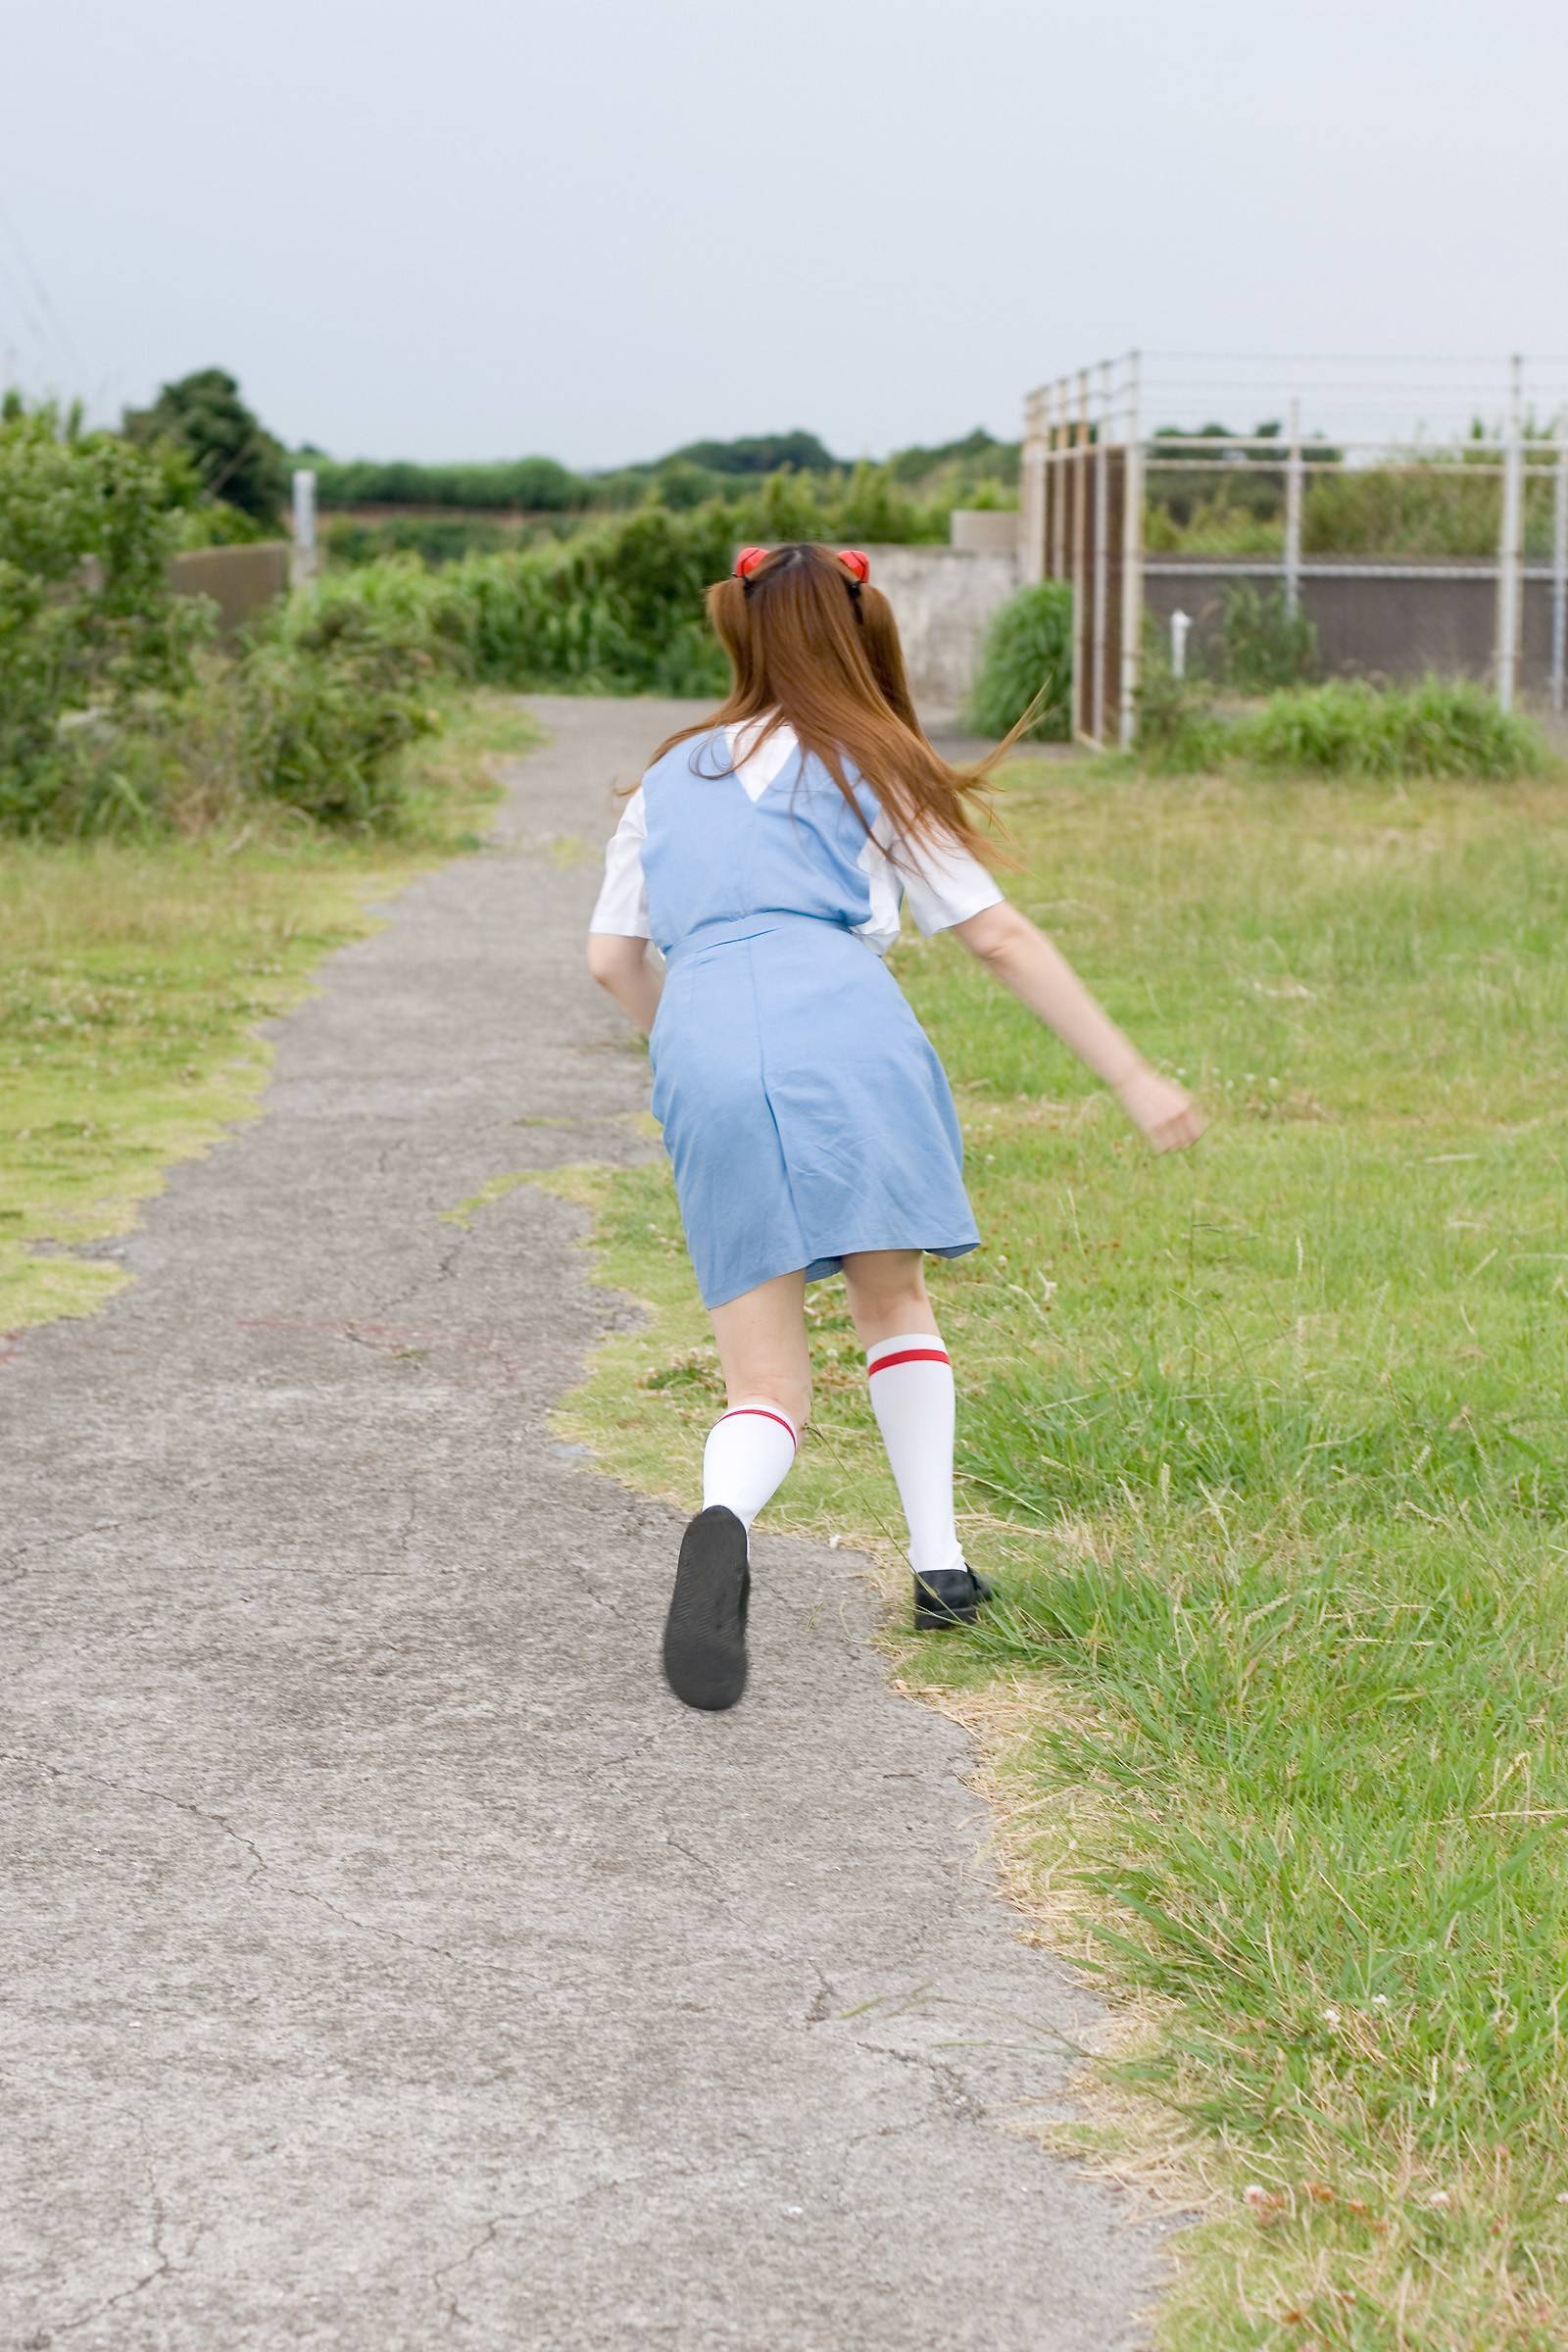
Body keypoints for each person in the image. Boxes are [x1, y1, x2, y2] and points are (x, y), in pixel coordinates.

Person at [587, 543, 1204, 1713]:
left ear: (743, 629)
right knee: (892, 1301)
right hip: (847, 1029)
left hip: (707, 1038)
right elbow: (999, 937)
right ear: (864, 632)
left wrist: (698, 1051)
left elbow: (611, 959)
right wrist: (1132, 1076)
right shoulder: (878, 762)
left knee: (761, 1383)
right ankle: (940, 1569)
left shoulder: (668, 780)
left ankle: (722, 1519)